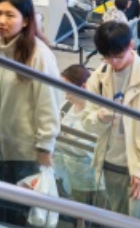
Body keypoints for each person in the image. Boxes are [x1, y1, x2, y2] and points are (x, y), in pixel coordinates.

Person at [83, 20, 140, 221]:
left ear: (131, 46)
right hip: (111, 163)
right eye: (107, 57)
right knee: (116, 220)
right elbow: (87, 122)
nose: (113, 63)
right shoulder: (99, 77)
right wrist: (100, 118)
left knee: (137, 221)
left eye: (118, 57)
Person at [0, 0, 60, 226]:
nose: (1, 21)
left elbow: (48, 103)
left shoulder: (39, 55)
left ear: (26, 20)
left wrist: (45, 146)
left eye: (10, 15)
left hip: (25, 155)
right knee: (1, 216)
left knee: (21, 218)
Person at [55, 64, 99, 204]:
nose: (66, 96)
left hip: (91, 184)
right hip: (68, 180)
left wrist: (56, 140)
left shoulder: (96, 114)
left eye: (69, 91)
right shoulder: (66, 107)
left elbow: (85, 148)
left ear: (83, 87)